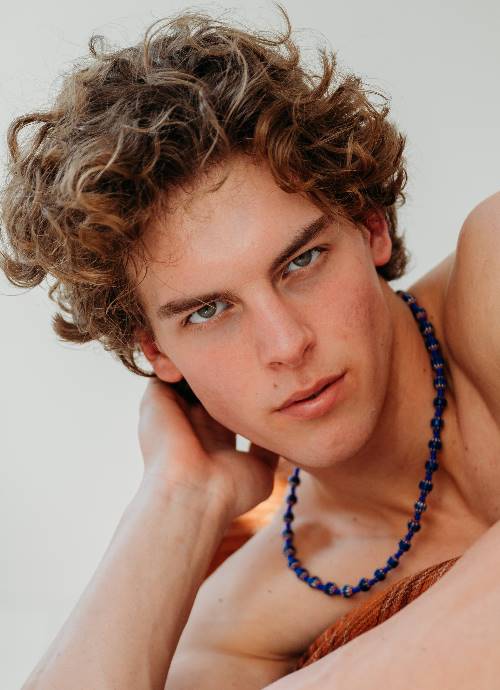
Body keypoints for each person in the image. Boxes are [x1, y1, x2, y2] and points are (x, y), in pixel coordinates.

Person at [2, 6, 500, 690]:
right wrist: (177, 500)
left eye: (302, 262)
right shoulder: (248, 614)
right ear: (157, 352)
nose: (286, 345)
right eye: (208, 311)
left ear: (370, 226)